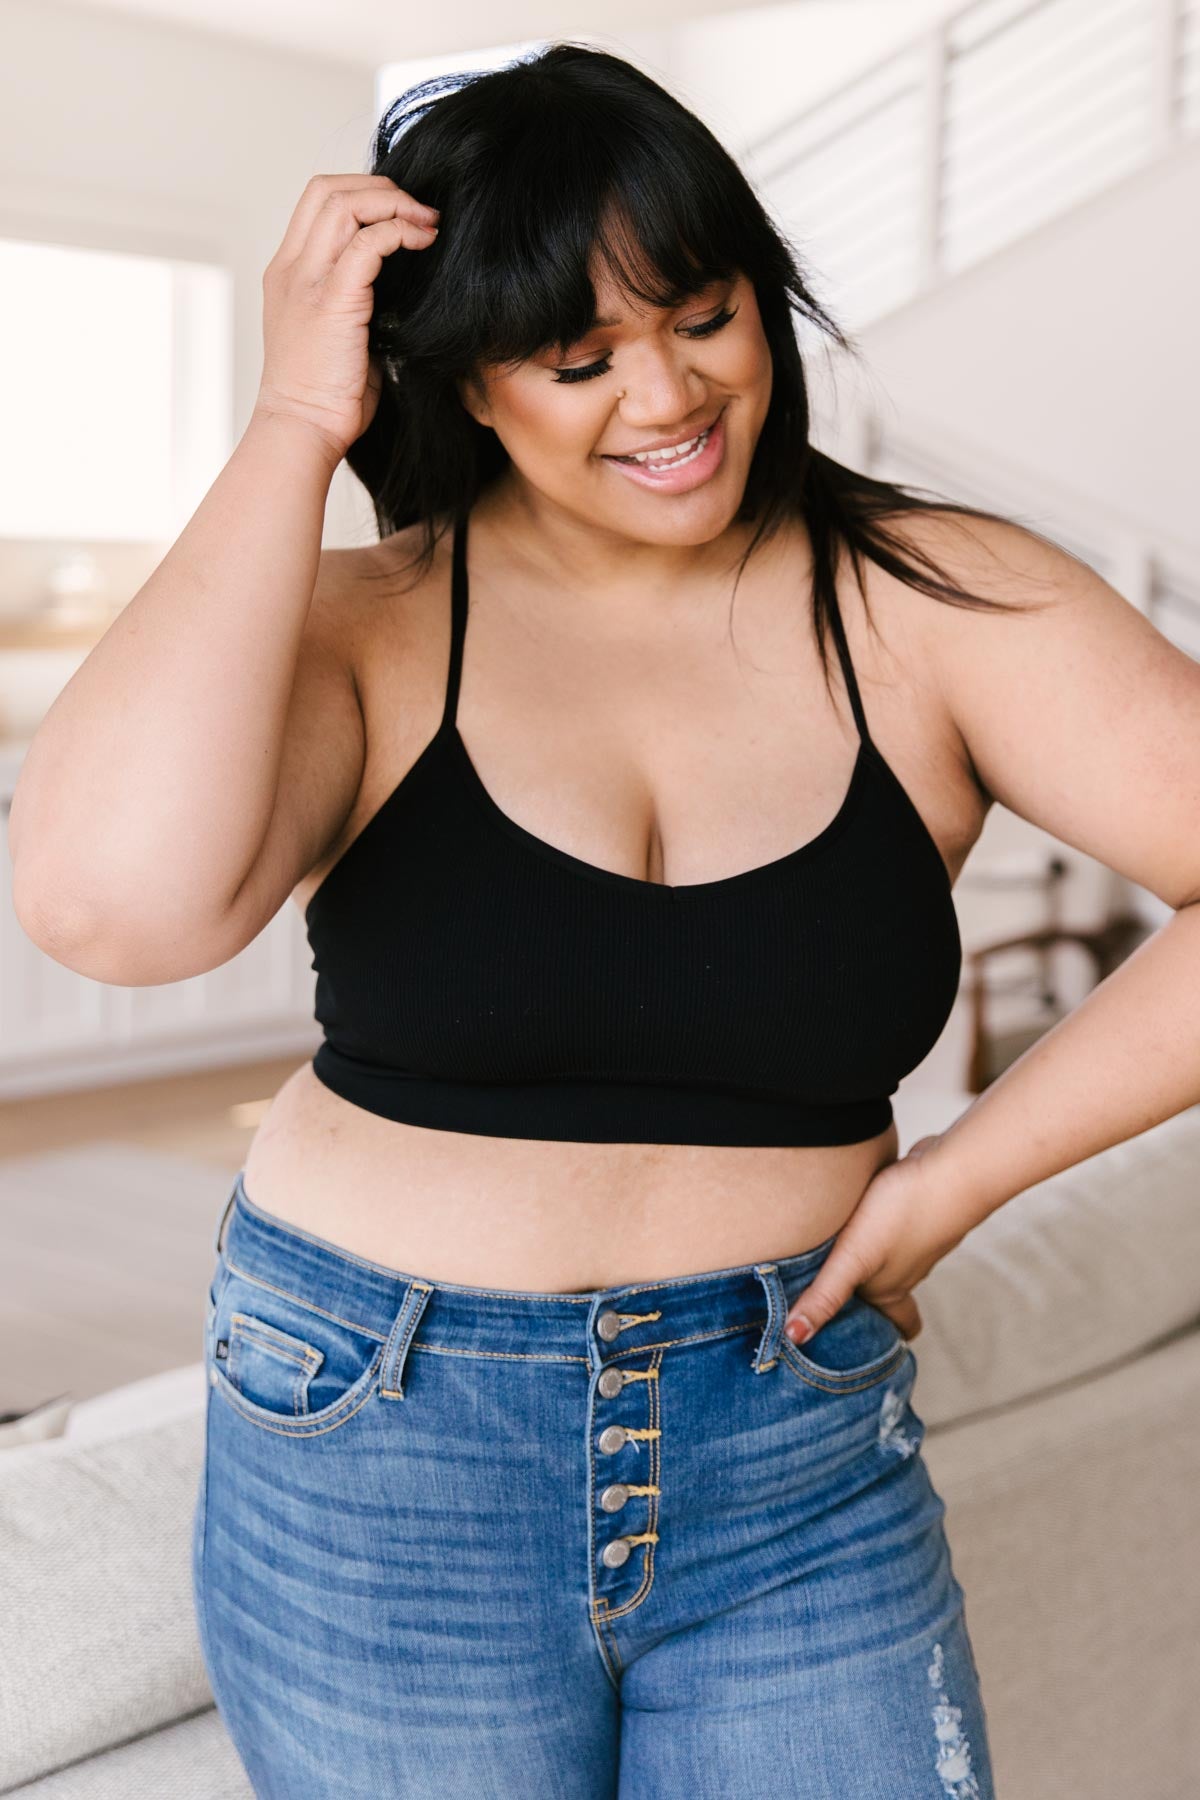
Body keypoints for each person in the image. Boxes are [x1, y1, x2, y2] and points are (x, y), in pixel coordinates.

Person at [16, 39, 1200, 1800]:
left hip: (794, 1441)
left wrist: (954, 1182)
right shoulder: (368, 624)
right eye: (579, 360)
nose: (669, 395)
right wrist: (291, 424)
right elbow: (112, 914)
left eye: (706, 316)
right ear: (469, 385)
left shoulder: (938, 603)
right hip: (377, 1440)